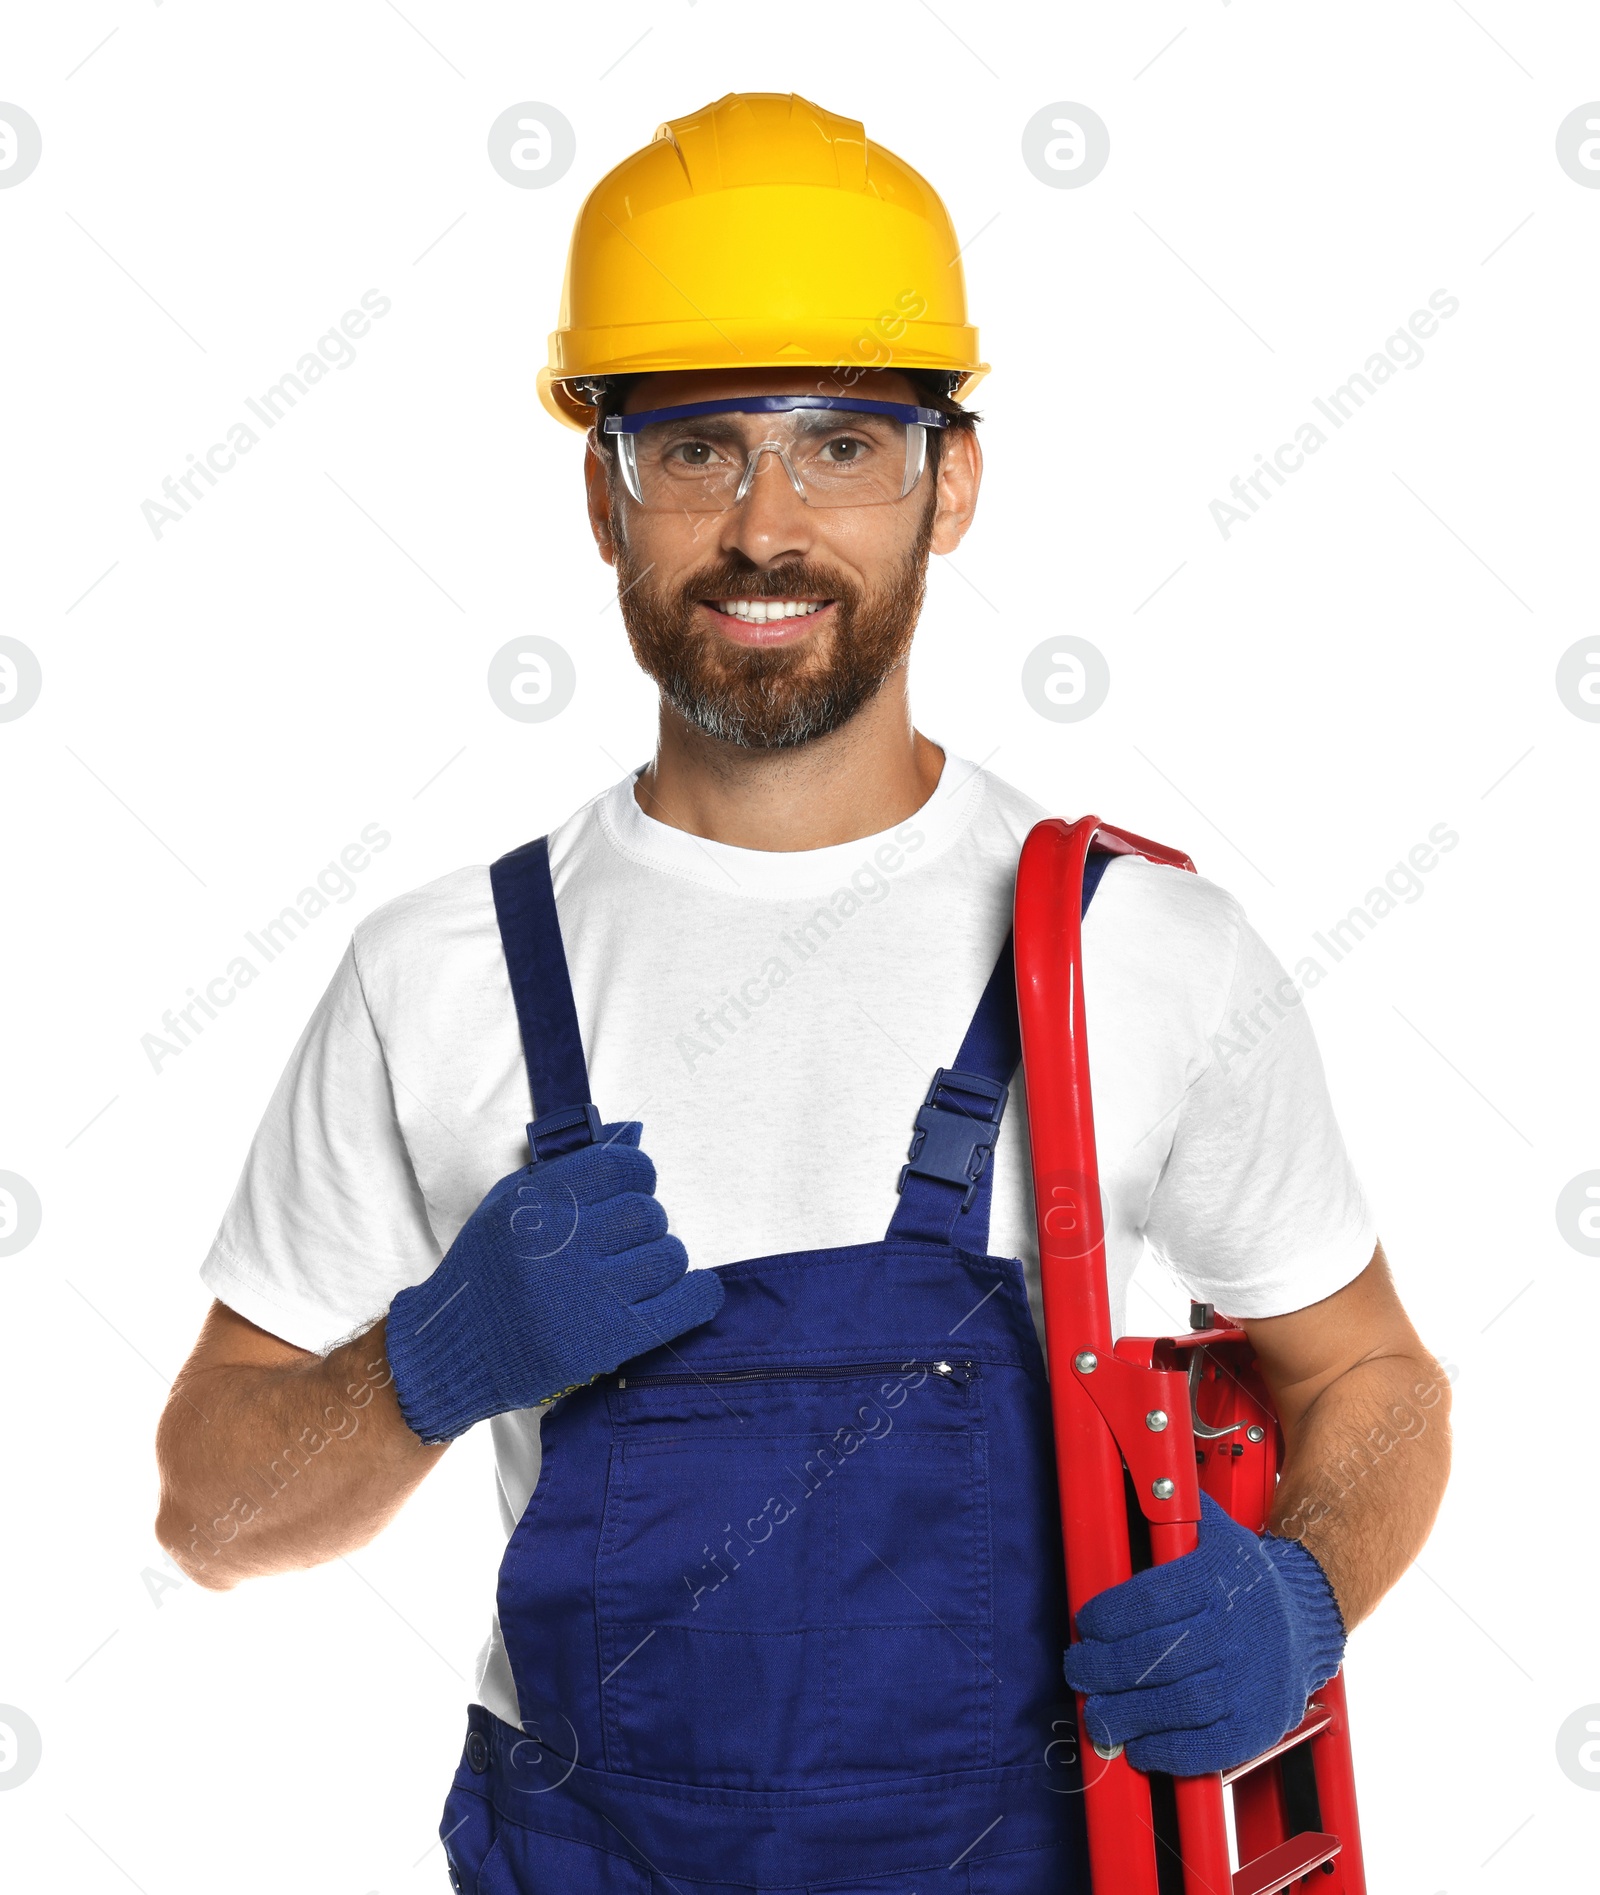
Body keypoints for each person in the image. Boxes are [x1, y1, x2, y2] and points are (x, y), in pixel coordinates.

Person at [155, 92, 1450, 1894]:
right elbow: (209, 1510)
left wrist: (1305, 1593)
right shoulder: (436, 977)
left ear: (955, 481)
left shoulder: (1136, 950)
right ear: (601, 497)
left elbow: (1373, 1378)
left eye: (843, 444)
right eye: (695, 449)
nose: (765, 525)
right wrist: (424, 1369)